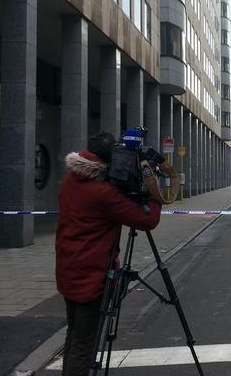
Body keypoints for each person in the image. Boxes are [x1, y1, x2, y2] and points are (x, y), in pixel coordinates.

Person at [55, 132, 162, 376]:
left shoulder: (73, 180)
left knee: (75, 335)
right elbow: (147, 219)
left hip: (69, 270)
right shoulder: (101, 192)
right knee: (85, 344)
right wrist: (153, 191)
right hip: (91, 277)